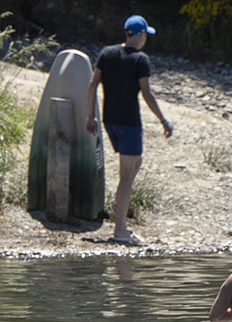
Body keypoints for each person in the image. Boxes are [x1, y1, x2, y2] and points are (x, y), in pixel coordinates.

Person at [85, 14, 174, 245]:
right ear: (141, 34)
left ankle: (118, 209)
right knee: (126, 178)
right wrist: (164, 120)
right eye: (146, 35)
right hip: (130, 123)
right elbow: (147, 93)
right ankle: (120, 231)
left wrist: (90, 116)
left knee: (135, 163)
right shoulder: (140, 59)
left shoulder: (107, 53)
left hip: (110, 121)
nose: (146, 39)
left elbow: (92, 84)